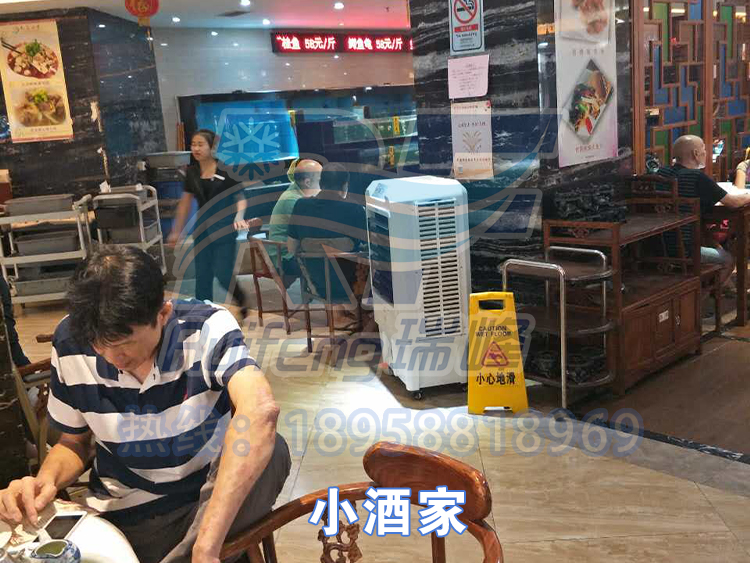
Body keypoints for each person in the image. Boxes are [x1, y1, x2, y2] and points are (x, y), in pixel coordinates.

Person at [0, 247, 291, 563]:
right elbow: (73, 443)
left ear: (163, 314)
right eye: (99, 346)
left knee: (272, 451)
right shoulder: (71, 340)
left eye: (125, 344)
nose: (113, 359)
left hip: (209, 502)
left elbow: (260, 410)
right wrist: (45, 482)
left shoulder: (206, 327)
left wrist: (206, 547)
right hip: (126, 513)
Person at [168, 129, 260, 313]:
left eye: (200, 144)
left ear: (212, 148)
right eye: (193, 144)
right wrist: (177, 231)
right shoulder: (192, 173)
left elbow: (240, 197)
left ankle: (241, 300)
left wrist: (239, 216)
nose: (196, 148)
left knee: (223, 274)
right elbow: (185, 203)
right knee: (203, 276)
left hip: (224, 229)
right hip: (202, 230)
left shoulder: (226, 170)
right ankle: (203, 313)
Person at [658, 135, 750, 289]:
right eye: (704, 149)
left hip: (655, 247)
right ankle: (703, 296)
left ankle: (720, 289)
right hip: (684, 251)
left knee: (708, 238)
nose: (706, 153)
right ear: (695, 154)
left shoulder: (661, 173)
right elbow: (734, 203)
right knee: (728, 259)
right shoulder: (697, 177)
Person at [287, 163, 368, 324]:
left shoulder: (301, 206)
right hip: (351, 285)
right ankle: (363, 318)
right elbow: (370, 246)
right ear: (345, 186)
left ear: (321, 183)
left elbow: (291, 248)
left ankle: (340, 315)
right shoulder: (355, 209)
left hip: (316, 283)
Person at [266, 159, 322, 286]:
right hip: (284, 257)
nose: (324, 184)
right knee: (332, 263)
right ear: (308, 182)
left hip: (292, 251)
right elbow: (312, 231)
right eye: (321, 180)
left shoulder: (298, 194)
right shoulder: (293, 201)